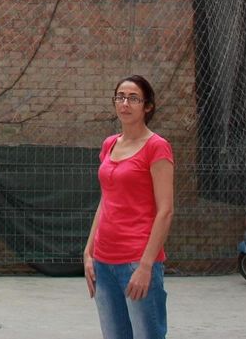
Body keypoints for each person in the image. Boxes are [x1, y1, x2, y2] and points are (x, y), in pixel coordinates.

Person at [83, 75, 175, 339]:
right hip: (103, 263)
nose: (125, 103)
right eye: (120, 97)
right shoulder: (109, 144)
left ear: (148, 106)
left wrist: (146, 266)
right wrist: (88, 252)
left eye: (133, 98)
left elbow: (165, 211)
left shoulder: (157, 147)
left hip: (137, 262)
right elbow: (105, 201)